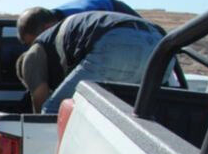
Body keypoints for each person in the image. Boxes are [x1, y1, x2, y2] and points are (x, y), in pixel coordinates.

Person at [16, 10, 166, 114]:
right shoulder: (73, 31)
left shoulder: (33, 53)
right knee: (133, 117)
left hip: (118, 43)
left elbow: (39, 104)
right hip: (160, 43)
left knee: (53, 111)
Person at [17, 0, 140, 46]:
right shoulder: (50, 18)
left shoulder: (79, 23)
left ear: (47, 28)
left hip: (120, 15)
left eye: (36, 42)